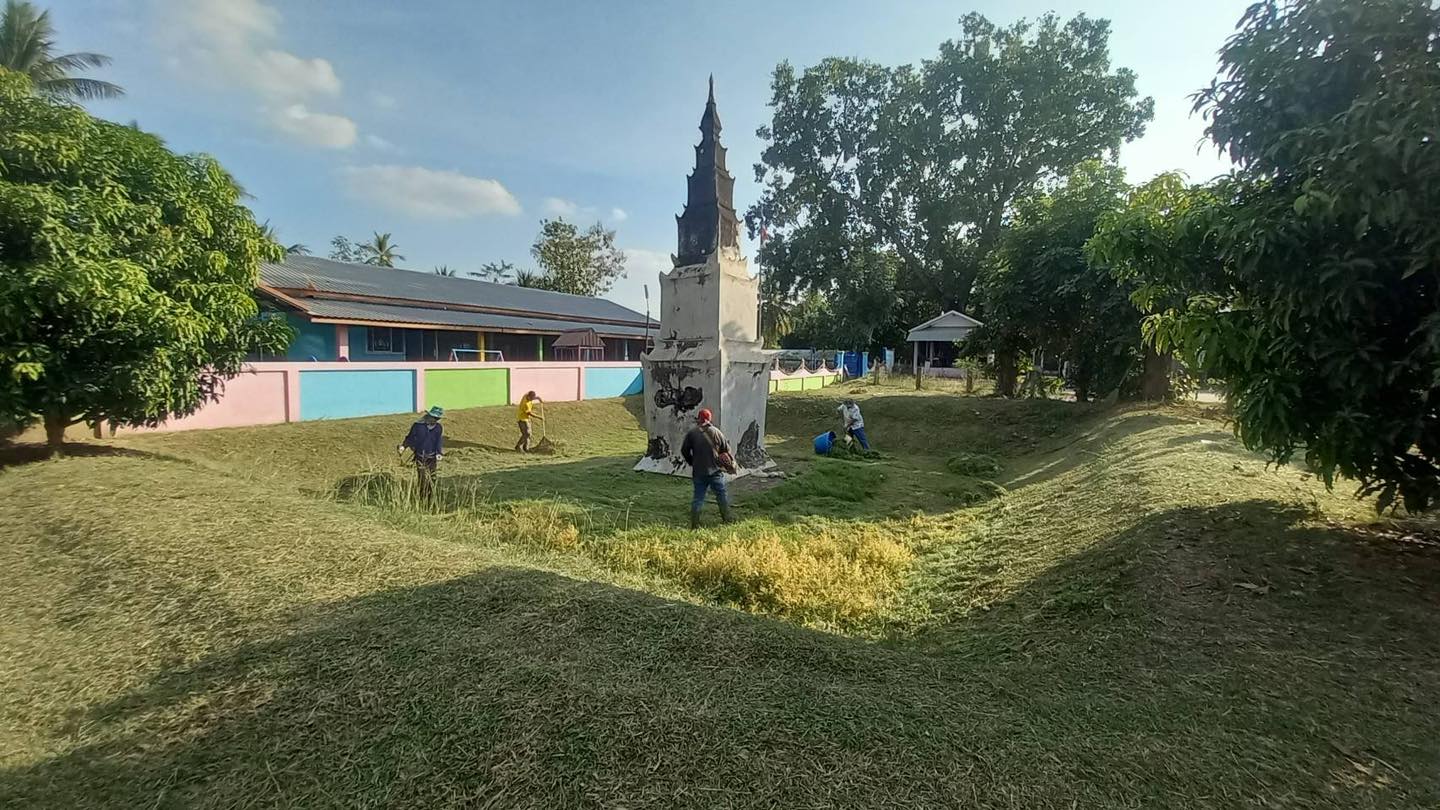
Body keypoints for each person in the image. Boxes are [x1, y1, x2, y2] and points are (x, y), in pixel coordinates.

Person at [680, 408, 734, 528]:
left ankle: (695, 524)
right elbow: (726, 451)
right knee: (721, 496)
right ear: (709, 418)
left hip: (699, 471)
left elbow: (684, 451)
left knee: (698, 498)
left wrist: (692, 462)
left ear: (699, 419)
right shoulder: (717, 432)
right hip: (715, 471)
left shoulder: (692, 433)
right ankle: (727, 520)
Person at [399, 406, 445, 501]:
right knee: (422, 479)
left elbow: (438, 441)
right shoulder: (417, 426)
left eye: (437, 418)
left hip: (432, 458)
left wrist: (439, 452)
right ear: (429, 415)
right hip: (420, 456)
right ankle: (422, 498)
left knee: (432, 478)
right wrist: (403, 446)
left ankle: (431, 498)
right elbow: (410, 438)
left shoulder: (438, 428)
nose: (435, 420)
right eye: (434, 417)